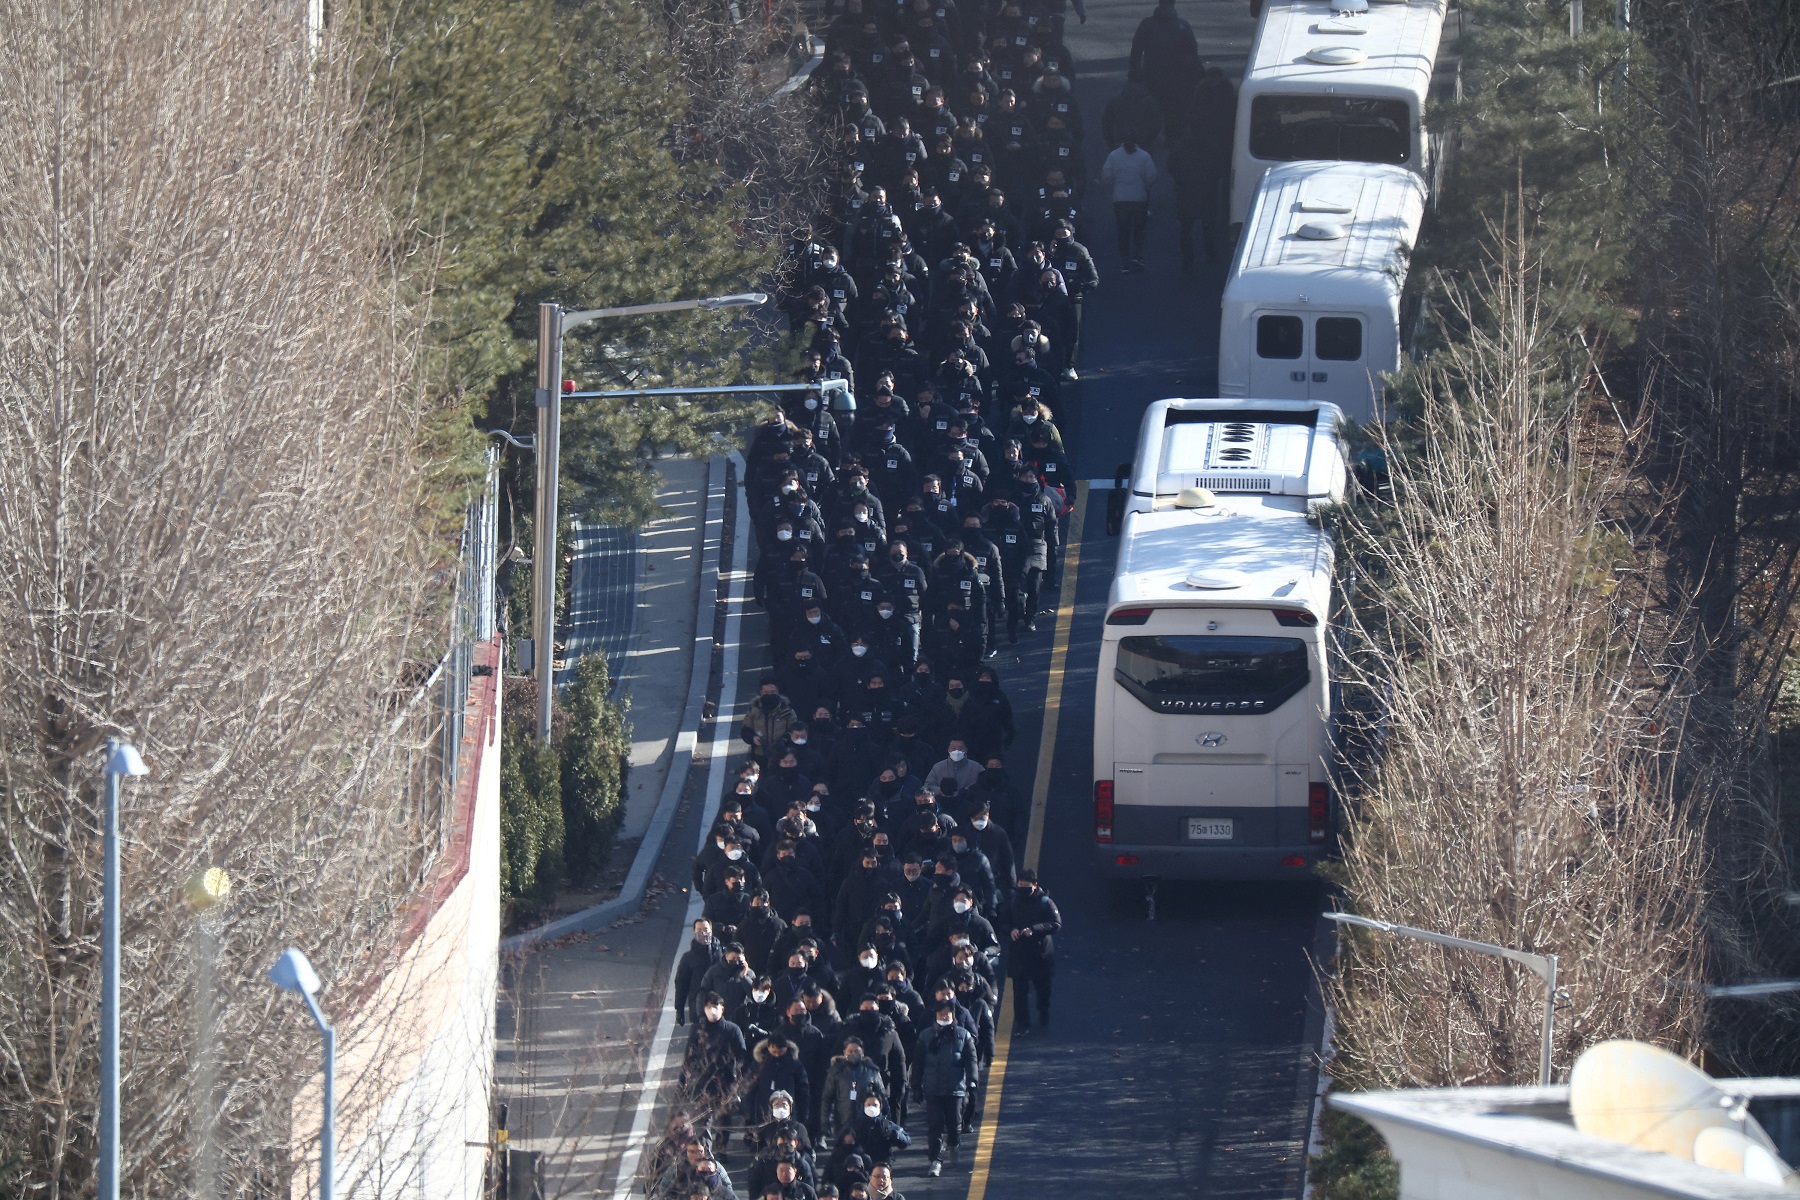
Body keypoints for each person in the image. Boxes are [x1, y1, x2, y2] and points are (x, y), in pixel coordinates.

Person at [909, 1000, 980, 1175]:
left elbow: (971, 1060)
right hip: (933, 1089)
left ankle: (954, 1143)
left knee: (955, 1123)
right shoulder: (926, 1036)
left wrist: (972, 1082)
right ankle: (935, 1160)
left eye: (947, 1014)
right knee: (935, 1126)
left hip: (955, 1088)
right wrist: (916, 1085)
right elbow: (918, 1063)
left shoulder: (963, 1036)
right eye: (941, 1014)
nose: (944, 1017)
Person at [1129, 0, 1201, 138]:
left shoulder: (1147, 24)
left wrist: (1134, 71)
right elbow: (1193, 51)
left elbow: (1136, 49)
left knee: (1152, 106)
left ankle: (1152, 133)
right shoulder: (1182, 25)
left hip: (1153, 73)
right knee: (1174, 109)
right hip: (1177, 77)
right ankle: (1172, 135)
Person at [1006, 869, 1062, 1033]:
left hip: (1040, 955)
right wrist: (1012, 929)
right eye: (1020, 884)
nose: (1022, 887)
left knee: (1043, 989)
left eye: (1026, 885)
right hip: (1019, 954)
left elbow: (1056, 923)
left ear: (1034, 885)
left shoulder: (1045, 902)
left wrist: (1035, 930)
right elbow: (1003, 921)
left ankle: (1043, 1012)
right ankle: (1023, 1024)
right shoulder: (1013, 901)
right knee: (1019, 993)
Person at [1099, 138, 1157, 272]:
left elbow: (1106, 177)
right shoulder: (1144, 156)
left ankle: (1124, 258)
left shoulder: (1113, 156)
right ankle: (1138, 255)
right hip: (1140, 198)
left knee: (1123, 230)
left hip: (1120, 199)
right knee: (1139, 229)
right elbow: (1151, 177)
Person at [675, 920, 723, 1025]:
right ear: (694, 932)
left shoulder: (721, 954)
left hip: (719, 1004)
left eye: (706, 929)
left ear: (711, 931)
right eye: (699, 930)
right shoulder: (688, 958)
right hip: (697, 1005)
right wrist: (679, 1009)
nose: (703, 933)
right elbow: (681, 984)